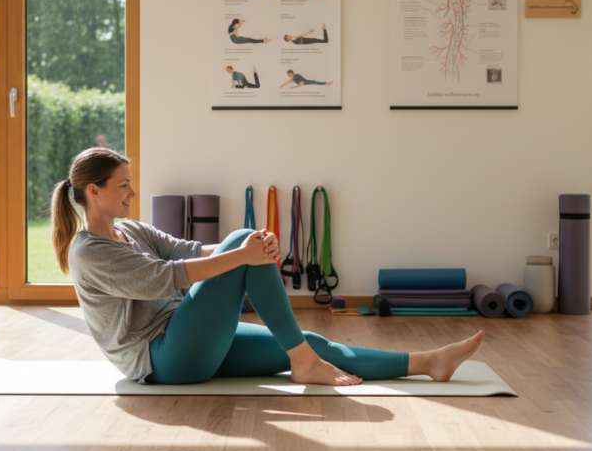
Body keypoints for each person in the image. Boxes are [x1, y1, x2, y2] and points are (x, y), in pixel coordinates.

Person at [51, 148, 485, 386]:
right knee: (243, 242)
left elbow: (187, 248)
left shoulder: (130, 229)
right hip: (162, 359)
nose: (132, 191)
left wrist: (256, 247)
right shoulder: (89, 252)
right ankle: (303, 362)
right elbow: (166, 278)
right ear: (94, 190)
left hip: (190, 336)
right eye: (123, 184)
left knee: (307, 340)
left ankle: (428, 362)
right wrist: (244, 252)